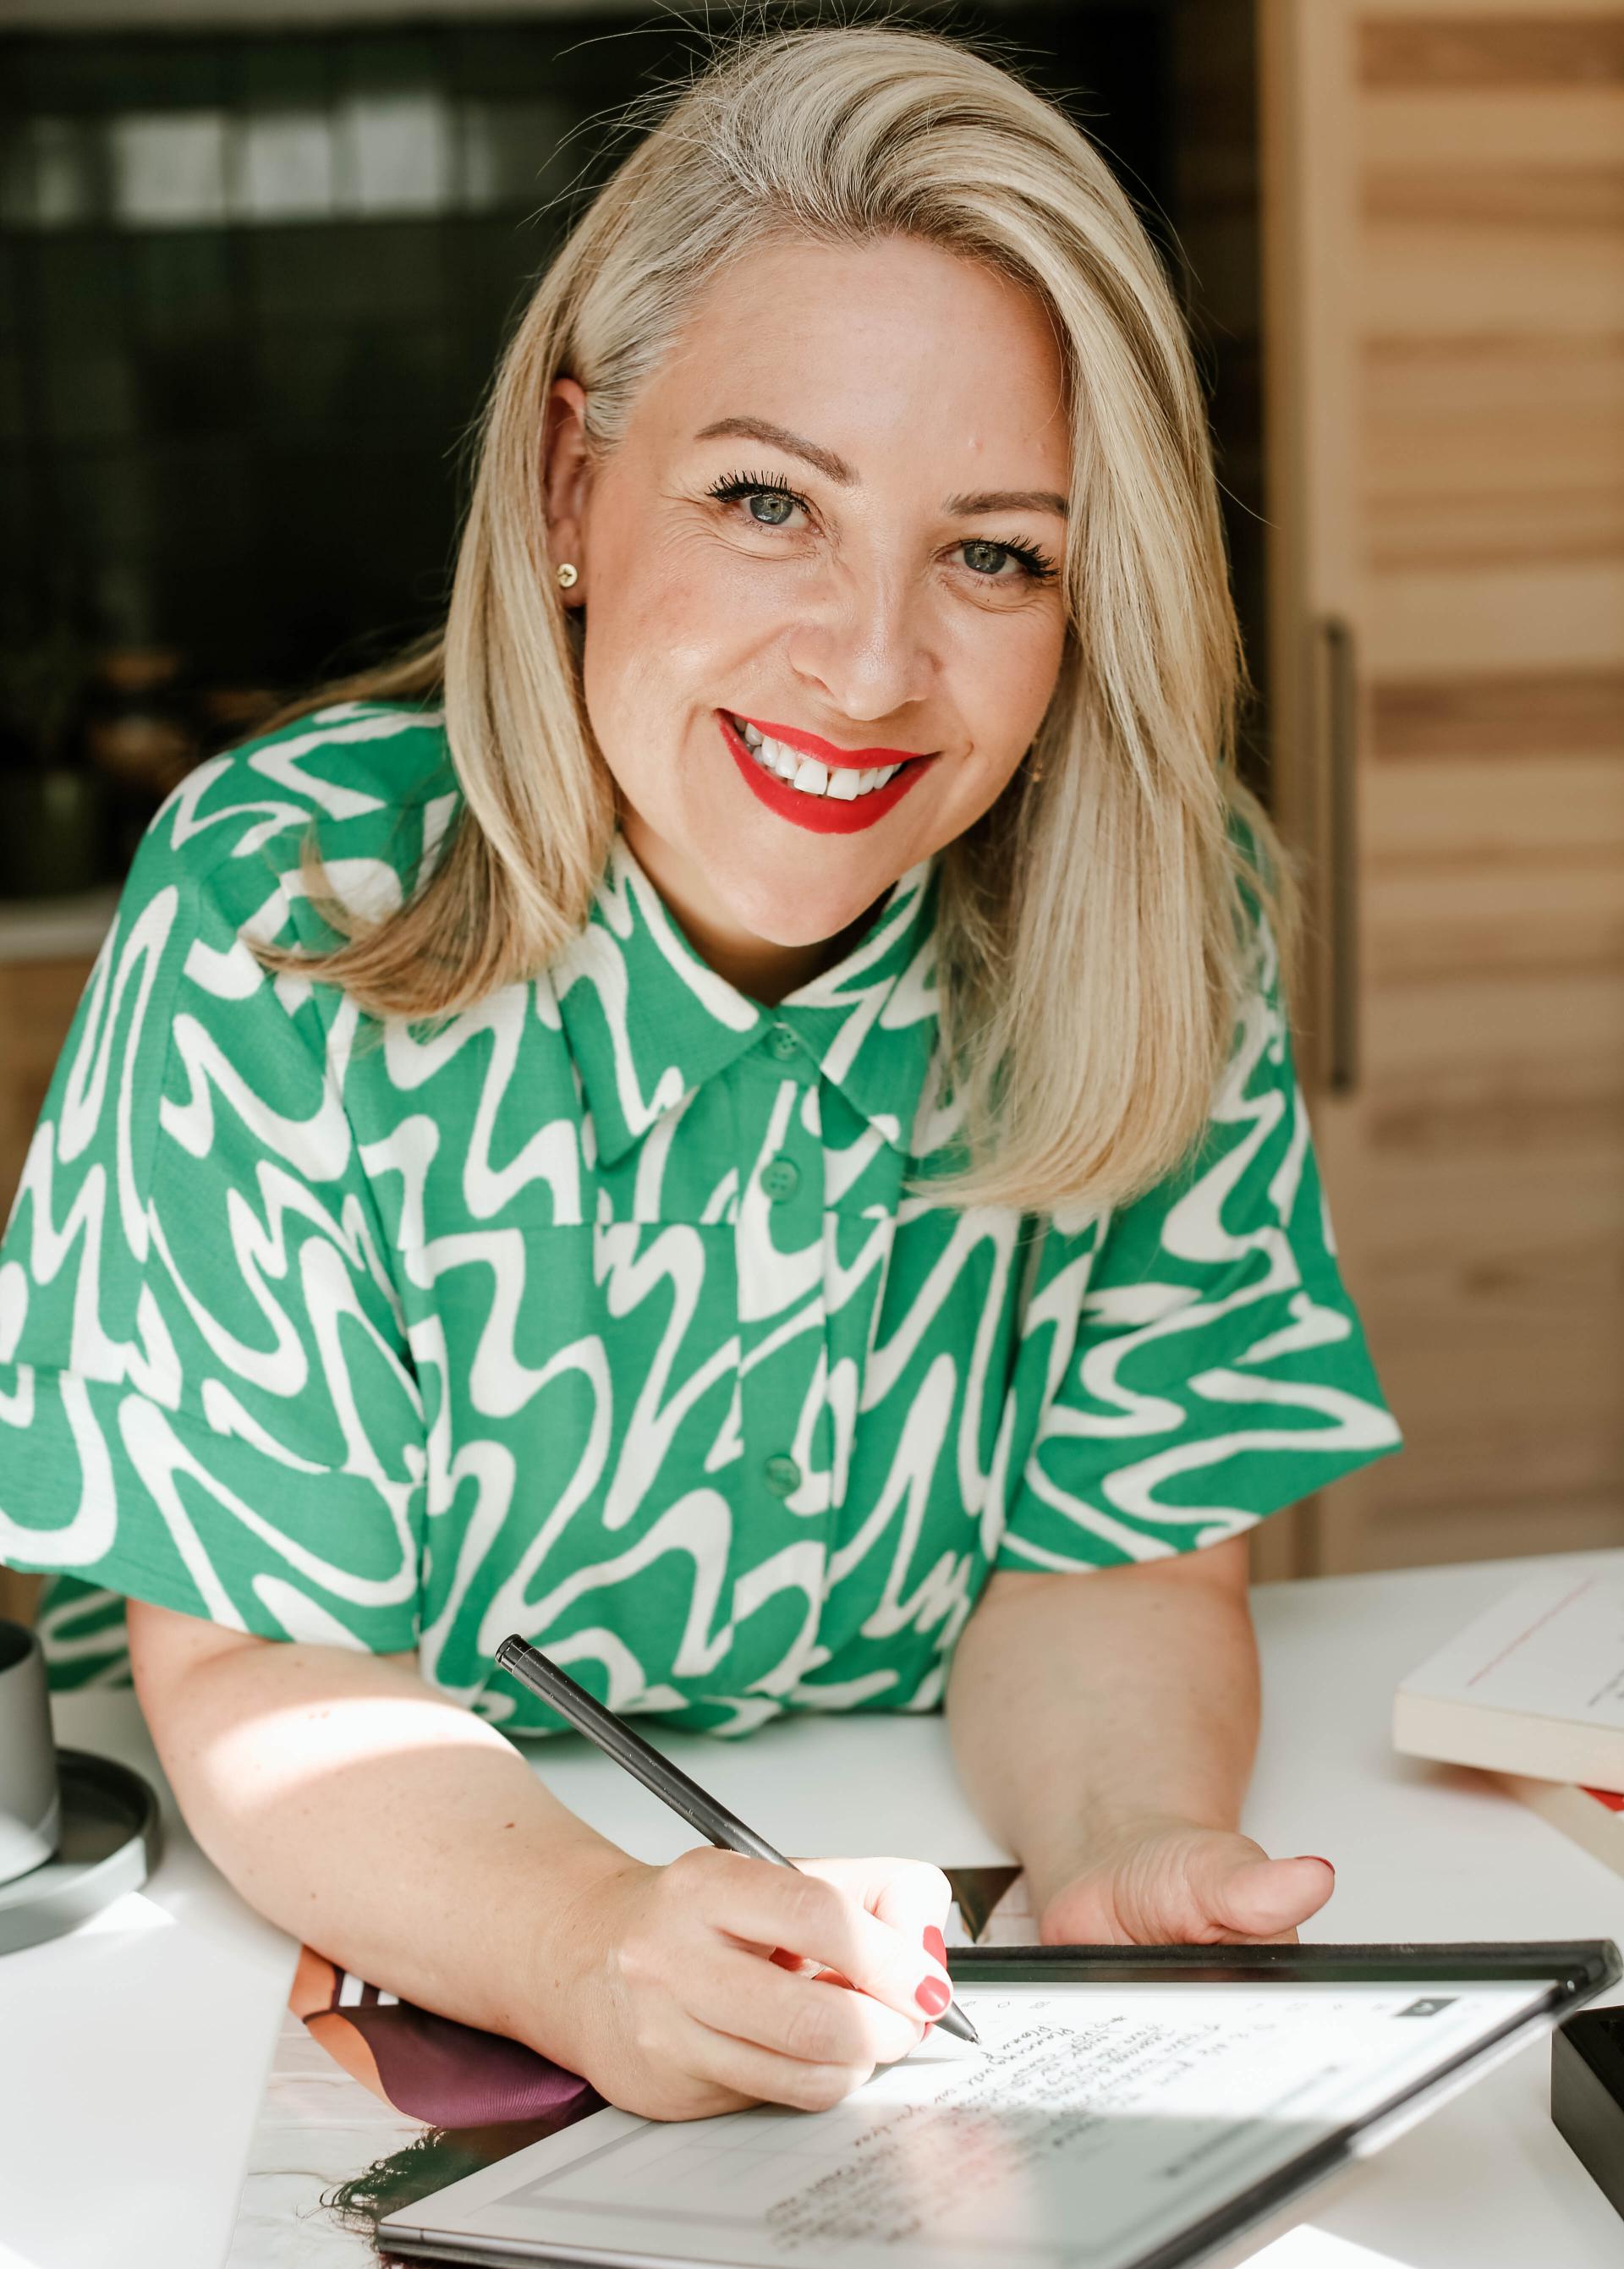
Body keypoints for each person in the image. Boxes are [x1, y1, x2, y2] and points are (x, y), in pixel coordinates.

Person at [0, 24, 1400, 2122]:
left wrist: (1119, 1846)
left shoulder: (1160, 908)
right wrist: (588, 1944)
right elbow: (272, 1664)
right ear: (574, 485)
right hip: (255, 1964)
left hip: (880, 1936)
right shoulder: (280, 899)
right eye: (769, 503)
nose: (869, 664)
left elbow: (1111, 1559)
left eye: (996, 554)